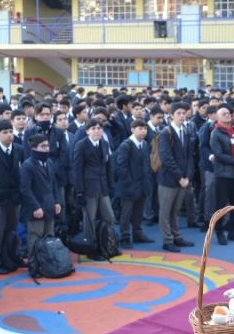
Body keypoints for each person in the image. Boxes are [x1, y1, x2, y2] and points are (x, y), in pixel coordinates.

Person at [156, 103, 195, 253]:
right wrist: (180, 177)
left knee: (176, 210)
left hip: (183, 178)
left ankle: (176, 236)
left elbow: (190, 156)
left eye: (183, 113)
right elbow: (166, 157)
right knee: (165, 211)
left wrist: (188, 176)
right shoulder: (166, 133)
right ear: (171, 115)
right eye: (178, 113)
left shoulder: (185, 131)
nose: (182, 115)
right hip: (169, 179)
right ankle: (167, 240)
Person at [72, 118, 115, 251]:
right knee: (89, 219)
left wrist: (110, 184)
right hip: (88, 187)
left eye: (99, 128)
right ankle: (90, 246)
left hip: (102, 186)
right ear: (87, 131)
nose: (97, 131)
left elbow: (108, 166)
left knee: (110, 217)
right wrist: (79, 191)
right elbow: (77, 170)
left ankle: (109, 243)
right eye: (93, 129)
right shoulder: (81, 145)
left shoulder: (104, 143)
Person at [0, 120, 22, 274]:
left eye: (10, 132)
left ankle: (13, 256)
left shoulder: (19, 149)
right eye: (5, 132)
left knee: (14, 229)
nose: (9, 135)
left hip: (14, 196)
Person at [210, 104, 234, 246]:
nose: (228, 116)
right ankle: (219, 233)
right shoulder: (216, 133)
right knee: (221, 206)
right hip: (224, 174)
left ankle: (233, 231)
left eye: (229, 114)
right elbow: (218, 155)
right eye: (224, 114)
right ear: (217, 117)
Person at [20, 134, 61, 259]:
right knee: (35, 237)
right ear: (33, 148)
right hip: (36, 207)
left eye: (47, 145)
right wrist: (35, 207)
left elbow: (53, 183)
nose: (46, 149)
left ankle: (48, 262)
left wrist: (57, 201)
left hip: (49, 205)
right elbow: (25, 189)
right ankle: (33, 264)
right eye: (42, 146)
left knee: (49, 235)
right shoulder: (28, 165)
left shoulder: (49, 162)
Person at [115, 120, 154, 248]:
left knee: (138, 212)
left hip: (142, 184)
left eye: (145, 129)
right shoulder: (126, 145)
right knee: (126, 214)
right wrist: (129, 183)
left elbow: (147, 163)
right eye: (140, 128)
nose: (143, 131)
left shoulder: (145, 144)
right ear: (132, 129)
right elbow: (121, 166)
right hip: (129, 186)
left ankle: (137, 234)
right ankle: (125, 236)